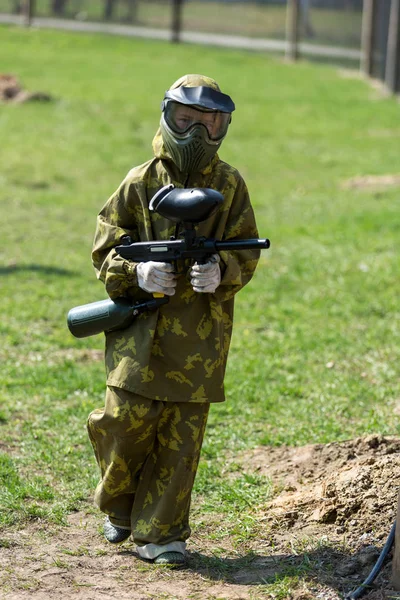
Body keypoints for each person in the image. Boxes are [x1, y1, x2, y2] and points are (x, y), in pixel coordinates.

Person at [87, 74, 261, 566]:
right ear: (168, 118)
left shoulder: (229, 185)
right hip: (138, 337)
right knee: (121, 426)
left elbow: (247, 248)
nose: (197, 135)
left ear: (224, 125)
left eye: (210, 125)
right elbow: (105, 245)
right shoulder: (140, 181)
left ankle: (162, 534)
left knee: (180, 442)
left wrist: (221, 271)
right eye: (186, 122)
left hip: (200, 338)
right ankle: (120, 508)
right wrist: (136, 271)